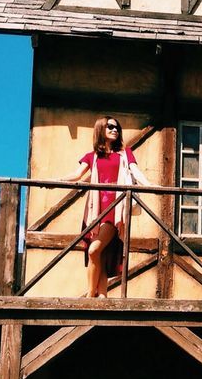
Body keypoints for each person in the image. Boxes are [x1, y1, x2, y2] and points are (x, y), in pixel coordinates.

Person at [65, 116, 152, 297]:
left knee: (94, 249)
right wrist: (56, 181)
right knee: (101, 254)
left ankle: (90, 295)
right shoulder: (92, 156)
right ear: (101, 129)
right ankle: (102, 294)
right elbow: (78, 174)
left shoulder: (124, 153)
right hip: (95, 210)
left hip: (115, 209)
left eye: (117, 127)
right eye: (110, 127)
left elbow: (136, 172)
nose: (115, 130)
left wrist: (152, 186)